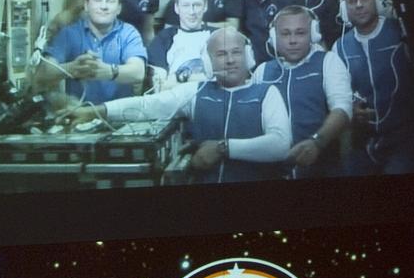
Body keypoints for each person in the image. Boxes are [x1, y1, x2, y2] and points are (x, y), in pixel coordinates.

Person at [96, 27, 291, 183]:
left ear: (248, 57)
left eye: (236, 52)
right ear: (208, 61)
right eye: (222, 54)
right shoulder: (196, 91)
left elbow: (281, 144)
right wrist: (99, 110)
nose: (230, 60)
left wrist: (222, 148)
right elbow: (149, 104)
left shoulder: (267, 93)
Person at [333, 0, 414, 175]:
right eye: (352, 1)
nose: (359, 5)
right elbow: (338, 96)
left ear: (378, 0)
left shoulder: (401, 31)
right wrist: (350, 110)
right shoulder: (339, 47)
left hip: (403, 141)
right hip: (363, 144)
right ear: (344, 8)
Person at [253, 6, 352, 177]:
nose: (293, 40)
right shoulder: (262, 72)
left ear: (313, 35)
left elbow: (342, 109)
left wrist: (317, 142)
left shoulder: (328, 62)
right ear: (273, 38)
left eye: (300, 33)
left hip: (322, 169)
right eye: (285, 34)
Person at [34, 0, 146, 106]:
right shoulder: (69, 33)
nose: (103, 6)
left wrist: (109, 71)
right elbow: (43, 74)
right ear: (86, 6)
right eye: (97, 1)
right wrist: (72, 68)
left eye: (110, 1)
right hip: (79, 117)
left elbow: (138, 72)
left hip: (120, 118)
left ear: (119, 8)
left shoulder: (128, 33)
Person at [147, 0, 211, 85]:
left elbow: (227, 77)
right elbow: (161, 85)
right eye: (186, 5)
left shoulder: (218, 36)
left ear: (205, 6)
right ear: (177, 8)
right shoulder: (163, 39)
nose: (192, 12)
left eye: (197, 5)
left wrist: (180, 78)